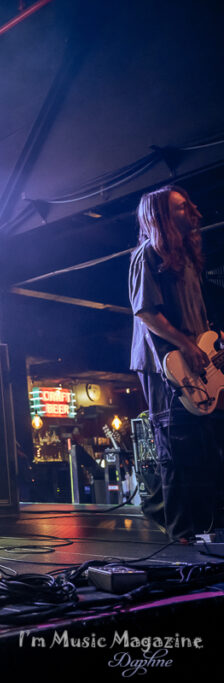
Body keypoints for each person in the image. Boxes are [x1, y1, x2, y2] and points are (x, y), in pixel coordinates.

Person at [129, 184, 224, 541]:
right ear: (161, 216)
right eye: (182, 207)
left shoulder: (185, 259)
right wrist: (185, 344)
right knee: (175, 444)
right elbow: (146, 312)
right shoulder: (147, 255)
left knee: (203, 442)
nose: (193, 210)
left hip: (196, 361)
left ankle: (205, 525)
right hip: (165, 365)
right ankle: (180, 532)